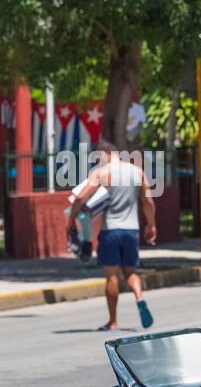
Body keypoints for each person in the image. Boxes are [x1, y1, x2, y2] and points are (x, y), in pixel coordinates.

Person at [67, 139, 157, 330]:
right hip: (132, 230)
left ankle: (113, 321)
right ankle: (139, 298)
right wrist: (151, 225)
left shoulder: (102, 172)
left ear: (104, 154)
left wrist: (71, 219)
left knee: (112, 276)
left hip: (111, 231)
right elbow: (148, 202)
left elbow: (81, 197)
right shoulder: (137, 172)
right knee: (130, 272)